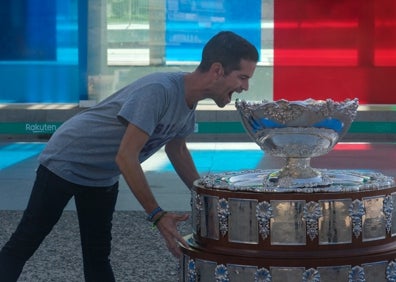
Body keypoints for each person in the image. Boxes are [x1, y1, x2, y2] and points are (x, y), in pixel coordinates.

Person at [0, 31, 258, 281]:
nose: (245, 87)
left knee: (98, 256)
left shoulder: (188, 104)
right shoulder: (160, 91)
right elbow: (126, 157)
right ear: (217, 70)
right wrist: (157, 215)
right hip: (65, 161)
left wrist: (206, 197)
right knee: (25, 242)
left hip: (101, 177)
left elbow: (176, 149)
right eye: (242, 77)